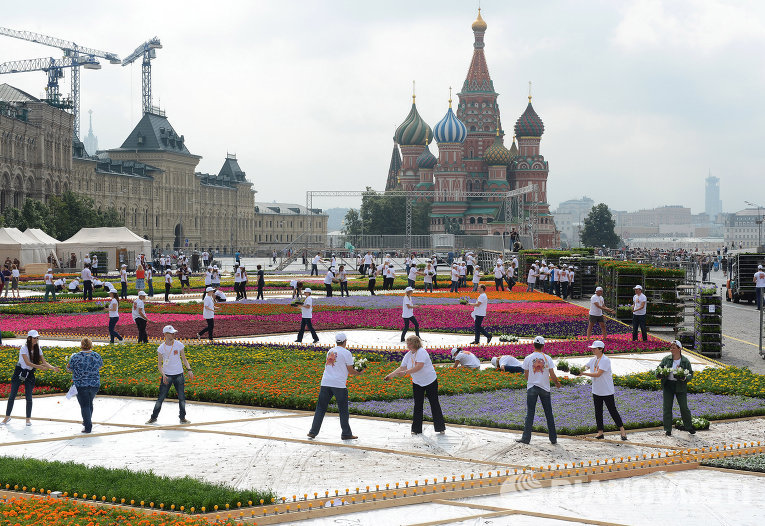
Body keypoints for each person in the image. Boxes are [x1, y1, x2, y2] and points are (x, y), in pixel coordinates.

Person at [384, 335, 445, 436]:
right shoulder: (408, 355)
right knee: (417, 405)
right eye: (407, 343)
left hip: (430, 381)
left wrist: (405, 373)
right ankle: (416, 429)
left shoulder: (421, 352)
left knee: (434, 403)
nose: (408, 345)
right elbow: (401, 367)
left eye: (410, 343)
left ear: (415, 343)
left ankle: (440, 428)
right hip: (417, 382)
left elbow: (419, 367)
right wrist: (390, 375)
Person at [307, 332, 364, 440]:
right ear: (345, 341)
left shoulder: (330, 351)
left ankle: (313, 431)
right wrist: (359, 372)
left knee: (320, 408)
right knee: (343, 409)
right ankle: (346, 434)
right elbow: (350, 370)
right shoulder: (346, 353)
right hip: (339, 384)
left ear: (336, 341)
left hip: (325, 382)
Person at [2, 330, 61, 426]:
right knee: (12, 395)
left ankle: (28, 419)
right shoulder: (24, 348)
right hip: (20, 372)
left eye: (37, 338)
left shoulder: (38, 349)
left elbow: (44, 362)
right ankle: (7, 417)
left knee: (29, 396)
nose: (36, 339)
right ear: (29, 338)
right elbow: (27, 363)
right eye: (34, 338)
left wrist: (52, 368)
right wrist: (39, 367)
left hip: (30, 373)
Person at [516, 336, 561, 445]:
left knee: (530, 413)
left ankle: (526, 438)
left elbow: (526, 375)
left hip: (532, 387)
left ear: (533, 344)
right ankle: (553, 438)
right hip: (545, 388)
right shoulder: (547, 358)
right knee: (548, 413)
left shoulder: (528, 358)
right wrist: (557, 383)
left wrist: (532, 380)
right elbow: (552, 374)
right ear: (543, 345)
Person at [579, 340, 627, 440]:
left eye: (594, 348)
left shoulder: (605, 360)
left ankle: (622, 430)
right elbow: (584, 367)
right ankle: (600, 432)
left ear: (601, 349)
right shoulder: (593, 359)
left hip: (606, 390)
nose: (592, 350)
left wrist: (583, 374)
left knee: (612, 410)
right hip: (596, 390)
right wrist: (575, 370)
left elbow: (598, 374)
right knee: (598, 411)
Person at [146, 325, 193, 425]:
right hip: (167, 376)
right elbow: (159, 365)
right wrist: (163, 374)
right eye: (171, 333)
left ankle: (182, 418)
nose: (173, 334)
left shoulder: (179, 345)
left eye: (174, 333)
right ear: (165, 334)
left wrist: (189, 369)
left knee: (182, 397)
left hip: (179, 375)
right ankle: (153, 417)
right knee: (161, 398)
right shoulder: (161, 349)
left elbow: (184, 359)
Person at [67, 338, 103, 434]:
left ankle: (88, 426)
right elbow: (99, 366)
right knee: (89, 403)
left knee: (85, 405)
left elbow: (68, 368)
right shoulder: (96, 355)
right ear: (91, 345)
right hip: (94, 384)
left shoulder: (75, 357)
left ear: (81, 345)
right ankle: (87, 421)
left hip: (81, 384)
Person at [659, 340, 695, 436]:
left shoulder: (685, 361)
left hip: (681, 386)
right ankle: (668, 429)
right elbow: (658, 369)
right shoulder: (666, 359)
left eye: (674, 348)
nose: (671, 349)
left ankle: (689, 427)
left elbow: (690, 374)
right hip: (668, 386)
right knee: (667, 407)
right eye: (671, 348)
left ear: (679, 349)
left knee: (684, 407)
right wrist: (660, 374)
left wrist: (685, 378)